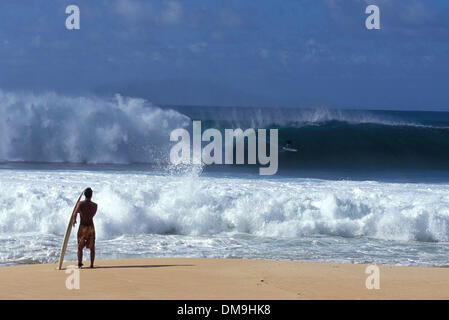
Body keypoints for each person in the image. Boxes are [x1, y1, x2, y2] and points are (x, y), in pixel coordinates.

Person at [73, 188, 98, 268]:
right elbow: (92, 215)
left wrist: (75, 220)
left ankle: (80, 263)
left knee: (80, 247)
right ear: (91, 195)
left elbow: (75, 213)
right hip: (91, 227)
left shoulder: (80, 204)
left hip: (82, 227)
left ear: (84, 195)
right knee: (92, 247)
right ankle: (91, 264)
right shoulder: (95, 205)